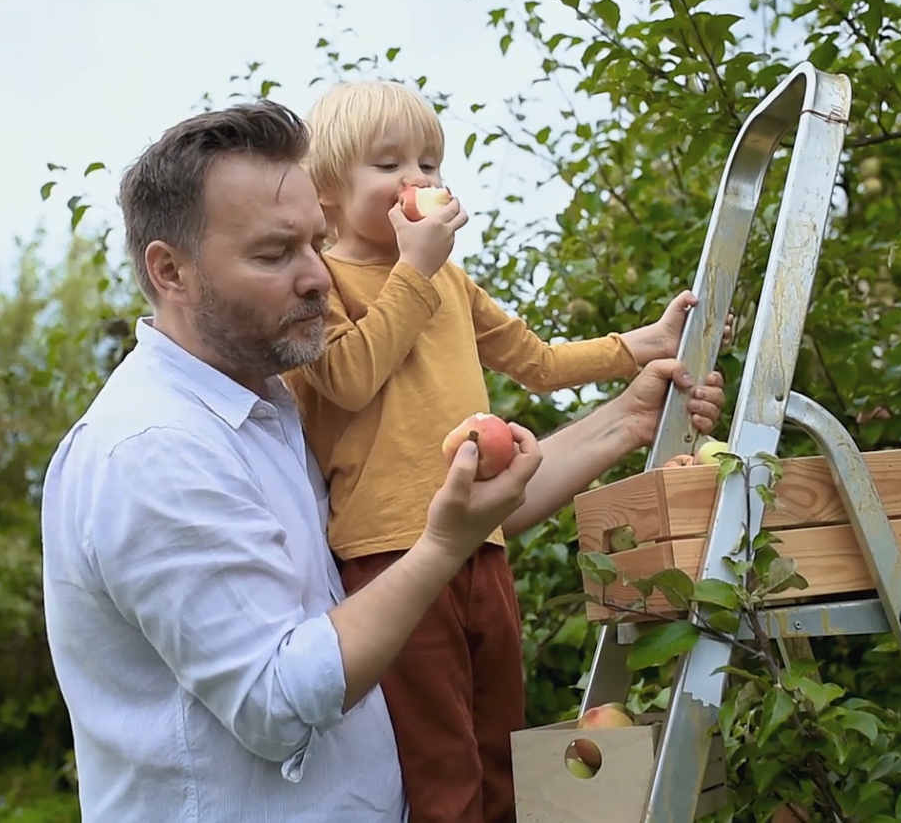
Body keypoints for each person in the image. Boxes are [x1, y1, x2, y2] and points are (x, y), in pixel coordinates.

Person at [38, 99, 728, 823]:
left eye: (315, 243)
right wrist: (441, 548)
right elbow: (277, 704)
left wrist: (627, 419)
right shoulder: (154, 450)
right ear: (170, 272)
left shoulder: (272, 408)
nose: (316, 277)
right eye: (275, 254)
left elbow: (440, 520)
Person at [287, 80, 730, 823]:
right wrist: (416, 271)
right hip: (388, 557)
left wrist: (636, 348)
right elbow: (349, 377)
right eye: (390, 163)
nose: (420, 181)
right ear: (325, 193)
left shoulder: (450, 281)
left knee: (503, 751)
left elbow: (536, 361)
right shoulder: (326, 283)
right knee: (440, 763)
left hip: (481, 549)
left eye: (431, 163)